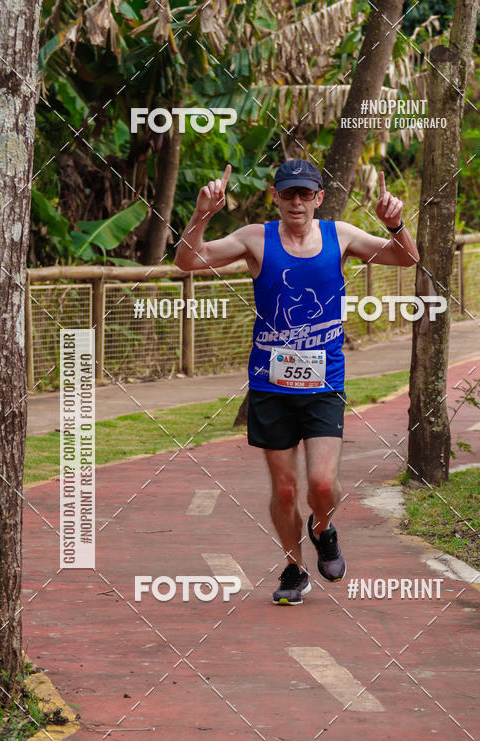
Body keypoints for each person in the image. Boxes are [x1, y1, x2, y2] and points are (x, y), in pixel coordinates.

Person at [175, 159, 419, 605]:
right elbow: (188, 261)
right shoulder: (255, 238)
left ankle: (323, 528)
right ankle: (294, 567)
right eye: (289, 193)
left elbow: (406, 257)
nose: (297, 202)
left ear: (319, 198)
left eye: (305, 193)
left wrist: (395, 223)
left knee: (322, 484)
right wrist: (202, 214)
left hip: (324, 381)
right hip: (270, 385)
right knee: (285, 487)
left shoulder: (340, 235)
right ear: (276, 196)